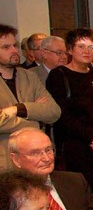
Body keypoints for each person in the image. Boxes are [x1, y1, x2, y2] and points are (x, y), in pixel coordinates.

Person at [47, 28, 93, 208]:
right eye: (81, 46)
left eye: (91, 46)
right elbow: (63, 115)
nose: (87, 51)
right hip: (77, 150)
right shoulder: (58, 76)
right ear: (70, 50)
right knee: (83, 199)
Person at [0, 24, 61, 170]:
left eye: (14, 45)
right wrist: (36, 121)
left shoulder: (28, 76)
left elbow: (53, 111)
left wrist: (19, 109)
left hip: (35, 165)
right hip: (4, 165)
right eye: (6, 47)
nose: (15, 51)